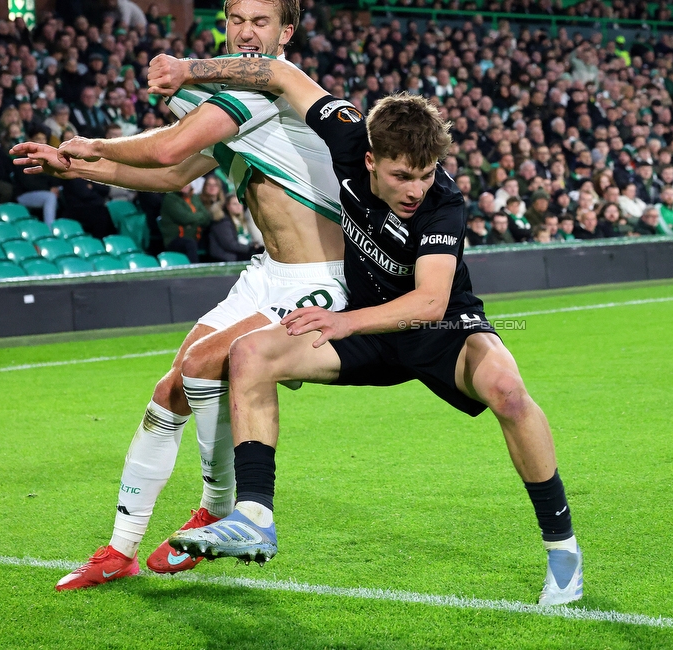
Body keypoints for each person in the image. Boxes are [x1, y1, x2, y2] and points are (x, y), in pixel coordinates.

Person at [150, 54, 583, 606]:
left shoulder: (444, 204)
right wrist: (189, 69)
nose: (416, 189)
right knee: (250, 354)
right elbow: (282, 74)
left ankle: (563, 551)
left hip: (440, 330)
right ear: (371, 159)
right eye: (402, 176)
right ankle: (254, 515)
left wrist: (342, 321)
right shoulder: (348, 137)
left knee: (509, 392)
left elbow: (430, 302)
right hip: (368, 332)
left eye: (426, 174)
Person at [12, 0, 347, 591]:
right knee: (169, 390)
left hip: (318, 279)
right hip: (267, 273)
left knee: (200, 365)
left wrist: (89, 145)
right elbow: (172, 174)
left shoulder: (269, 90)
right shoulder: (233, 102)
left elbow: (167, 149)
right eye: (237, 20)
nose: (247, 32)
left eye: (261, 22)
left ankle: (218, 510)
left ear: (286, 32)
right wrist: (76, 166)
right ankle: (120, 550)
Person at [159, 182, 210, 262]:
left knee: (213, 235)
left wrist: (193, 219)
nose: (185, 185)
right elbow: (185, 218)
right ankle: (194, 268)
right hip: (175, 239)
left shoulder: (194, 197)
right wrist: (199, 217)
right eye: (182, 182)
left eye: (187, 182)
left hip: (196, 237)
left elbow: (206, 217)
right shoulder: (170, 199)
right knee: (190, 243)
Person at [210, 194, 260, 261]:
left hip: (242, 255)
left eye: (240, 203)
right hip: (228, 259)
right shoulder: (222, 222)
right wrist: (251, 247)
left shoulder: (245, 220)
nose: (238, 206)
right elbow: (229, 244)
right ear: (228, 206)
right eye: (234, 204)